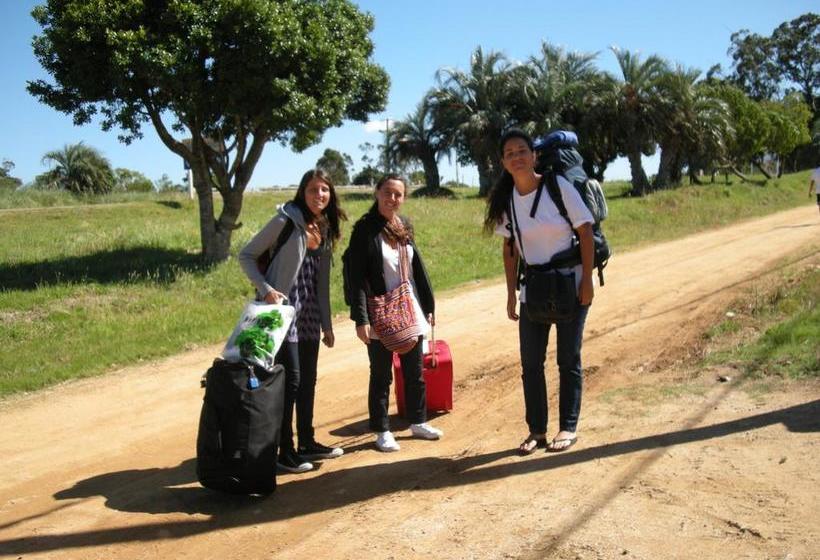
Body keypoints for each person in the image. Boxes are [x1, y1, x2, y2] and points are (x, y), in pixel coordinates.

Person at [484, 128, 595, 454]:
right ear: (503, 163)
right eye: (509, 154)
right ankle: (537, 431)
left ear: (534, 155)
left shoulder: (557, 186)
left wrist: (586, 280)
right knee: (530, 364)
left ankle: (567, 427)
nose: (516, 157)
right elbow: (510, 249)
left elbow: (585, 232)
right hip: (532, 288)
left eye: (522, 151)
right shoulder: (508, 201)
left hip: (570, 283)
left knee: (567, 359)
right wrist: (509, 293)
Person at [239, 168, 346, 473]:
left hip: (309, 313)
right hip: (282, 312)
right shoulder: (286, 220)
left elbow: (321, 283)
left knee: (308, 381)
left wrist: (327, 324)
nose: (319, 195)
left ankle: (307, 442)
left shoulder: (323, 227)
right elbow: (246, 255)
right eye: (313, 190)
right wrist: (267, 289)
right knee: (292, 380)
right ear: (303, 191)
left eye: (324, 190)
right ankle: (283, 451)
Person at [345, 174, 443, 452]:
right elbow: (357, 277)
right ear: (377, 193)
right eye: (387, 193)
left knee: (415, 371)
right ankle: (382, 430)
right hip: (379, 311)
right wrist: (361, 318)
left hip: (408, 307)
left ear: (404, 198)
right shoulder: (364, 229)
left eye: (398, 194)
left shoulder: (403, 226)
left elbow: (416, 270)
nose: (392, 199)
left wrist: (428, 306)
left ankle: (418, 422)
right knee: (381, 374)